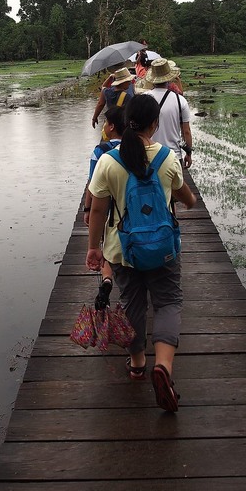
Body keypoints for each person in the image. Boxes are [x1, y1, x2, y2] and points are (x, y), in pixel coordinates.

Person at [85, 94, 196, 412]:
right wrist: (188, 200)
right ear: (155, 124)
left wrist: (94, 248)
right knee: (168, 302)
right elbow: (185, 198)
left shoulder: (108, 161)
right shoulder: (167, 158)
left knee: (132, 303)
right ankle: (163, 366)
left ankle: (137, 364)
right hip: (163, 249)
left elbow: (96, 211)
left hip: (122, 251)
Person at [82, 105, 126, 306]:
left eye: (106, 123)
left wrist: (88, 210)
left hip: (104, 211)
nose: (104, 126)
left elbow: (92, 184)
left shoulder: (100, 151)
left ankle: (107, 279)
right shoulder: (133, 149)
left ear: (111, 127)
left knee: (106, 247)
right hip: (124, 210)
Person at [144, 58, 193, 168]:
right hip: (173, 155)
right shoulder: (180, 100)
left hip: (148, 154)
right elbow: (187, 132)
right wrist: (188, 154)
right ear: (169, 78)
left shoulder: (143, 98)